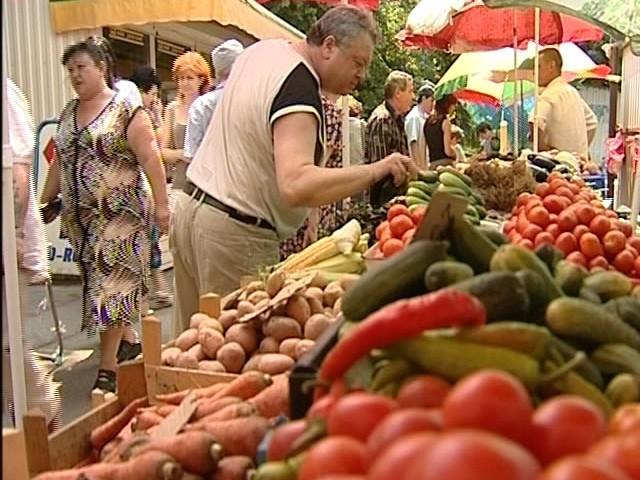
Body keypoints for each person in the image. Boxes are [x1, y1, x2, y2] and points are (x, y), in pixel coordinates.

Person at [172, 5, 417, 335]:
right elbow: (296, 183)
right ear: (328, 45)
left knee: (187, 351)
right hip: (233, 234)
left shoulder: (262, 51)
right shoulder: (299, 86)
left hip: (191, 213)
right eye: (358, 63)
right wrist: (375, 171)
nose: (362, 76)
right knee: (230, 358)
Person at [40, 38, 170, 392]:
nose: (75, 76)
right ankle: (127, 339)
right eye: (70, 71)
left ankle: (108, 368)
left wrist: (162, 206)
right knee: (98, 286)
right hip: (82, 220)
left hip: (121, 216)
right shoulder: (68, 113)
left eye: (81, 67)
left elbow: (151, 160)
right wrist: (44, 201)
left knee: (113, 289)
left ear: (101, 68)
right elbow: (60, 160)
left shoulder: (126, 111)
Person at [3, 78, 61, 431]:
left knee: (9, 344)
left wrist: (12, 234)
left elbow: (18, 173)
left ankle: (44, 414)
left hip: (7, 244)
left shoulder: (5, 92)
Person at [129, 65, 174, 312]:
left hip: (143, 189)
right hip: (139, 189)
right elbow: (155, 154)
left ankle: (152, 294)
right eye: (153, 93)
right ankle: (154, 292)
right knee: (146, 243)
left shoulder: (141, 114)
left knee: (148, 243)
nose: (154, 99)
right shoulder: (135, 114)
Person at [530, 48, 597, 160]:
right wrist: (580, 149)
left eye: (538, 67)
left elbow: (535, 122)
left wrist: (544, 150)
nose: (534, 72)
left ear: (551, 66)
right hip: (579, 163)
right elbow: (592, 122)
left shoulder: (549, 94)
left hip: (557, 165)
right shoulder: (572, 92)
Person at [161, 51, 212, 197]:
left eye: (189, 78)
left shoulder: (209, 108)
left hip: (205, 186)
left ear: (201, 80)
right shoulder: (172, 109)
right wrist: (183, 154)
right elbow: (163, 152)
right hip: (179, 185)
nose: (184, 83)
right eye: (181, 78)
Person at [184, 40, 244, 160]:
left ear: (217, 72)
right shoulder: (256, 100)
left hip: (209, 175)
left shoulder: (201, 105)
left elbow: (191, 153)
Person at [365, 70, 414, 207]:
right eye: (410, 91)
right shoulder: (383, 119)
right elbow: (378, 168)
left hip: (394, 198)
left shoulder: (397, 119)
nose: (413, 97)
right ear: (398, 93)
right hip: (383, 201)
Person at [424, 94, 459, 168]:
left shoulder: (427, 122)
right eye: (453, 105)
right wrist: (455, 153)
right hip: (445, 164)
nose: (454, 108)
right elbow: (448, 151)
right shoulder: (445, 122)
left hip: (432, 164)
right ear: (448, 105)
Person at [404, 83, 434, 170]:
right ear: (424, 98)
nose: (432, 105)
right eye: (431, 101)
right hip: (417, 168)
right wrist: (418, 169)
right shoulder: (414, 117)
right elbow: (413, 143)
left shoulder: (423, 118)